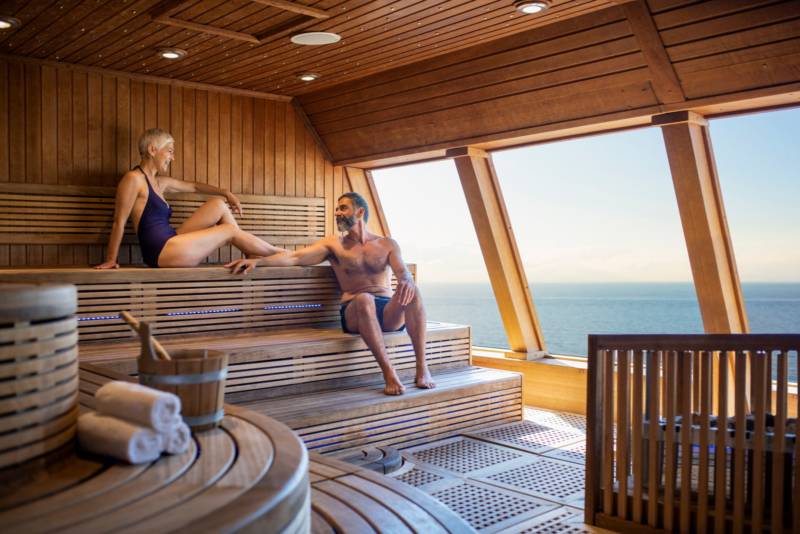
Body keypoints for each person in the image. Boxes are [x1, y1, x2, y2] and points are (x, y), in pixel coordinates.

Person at [226, 192, 436, 396]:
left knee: (414, 291)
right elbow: (295, 257)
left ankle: (422, 368)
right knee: (365, 299)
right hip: (355, 311)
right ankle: (389, 373)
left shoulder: (386, 244)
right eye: (336, 209)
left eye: (343, 208)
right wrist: (258, 262)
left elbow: (403, 273)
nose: (337, 213)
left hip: (387, 311)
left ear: (360, 212)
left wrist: (406, 280)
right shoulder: (334, 245)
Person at [95, 128, 284, 269]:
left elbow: (193, 186)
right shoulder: (133, 179)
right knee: (228, 230)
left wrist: (226, 192)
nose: (173, 157)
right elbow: (119, 221)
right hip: (160, 251)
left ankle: (253, 253)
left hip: (171, 240)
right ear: (152, 150)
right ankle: (281, 254)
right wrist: (111, 259)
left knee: (217, 204)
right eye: (170, 151)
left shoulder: (160, 182)